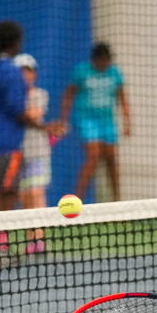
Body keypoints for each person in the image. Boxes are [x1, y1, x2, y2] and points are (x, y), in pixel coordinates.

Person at [0, 21, 58, 260]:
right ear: (14, 42)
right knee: (3, 196)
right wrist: (45, 126)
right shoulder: (8, 70)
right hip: (5, 143)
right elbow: (17, 110)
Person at [61, 42, 130, 202]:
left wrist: (127, 123)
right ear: (94, 59)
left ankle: (117, 201)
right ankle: (77, 200)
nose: (104, 64)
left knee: (111, 157)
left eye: (107, 60)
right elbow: (68, 95)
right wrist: (63, 120)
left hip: (107, 121)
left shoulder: (115, 73)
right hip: (86, 119)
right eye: (101, 60)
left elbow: (122, 98)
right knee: (93, 156)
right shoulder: (81, 71)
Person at [12, 52, 60, 254]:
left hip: (38, 152)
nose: (25, 75)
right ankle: (29, 240)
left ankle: (39, 239)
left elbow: (33, 114)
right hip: (17, 154)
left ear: (34, 75)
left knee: (36, 194)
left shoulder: (40, 94)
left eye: (28, 71)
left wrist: (16, 108)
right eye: (21, 72)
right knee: (23, 197)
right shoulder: (11, 96)